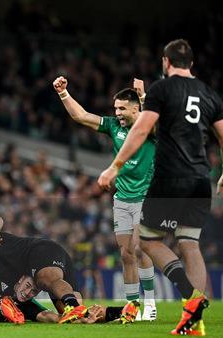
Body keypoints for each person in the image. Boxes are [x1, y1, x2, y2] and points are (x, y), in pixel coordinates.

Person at [97, 39, 223, 336]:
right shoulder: (209, 93)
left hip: (171, 178)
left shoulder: (162, 89)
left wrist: (115, 166)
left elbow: (142, 129)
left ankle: (192, 297)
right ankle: (194, 319)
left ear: (165, 62)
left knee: (146, 242)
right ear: (192, 64)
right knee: (189, 243)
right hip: (201, 179)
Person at [53, 76, 157, 320]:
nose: (118, 113)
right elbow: (81, 116)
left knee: (140, 249)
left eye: (122, 108)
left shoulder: (147, 128)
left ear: (135, 108)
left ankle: (151, 303)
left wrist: (144, 97)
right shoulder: (114, 127)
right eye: (116, 108)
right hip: (122, 199)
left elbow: (157, 126)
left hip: (146, 197)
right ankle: (133, 306)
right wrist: (63, 93)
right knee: (125, 253)